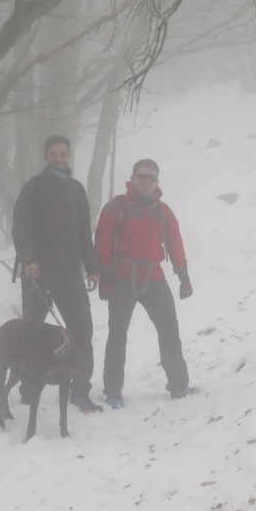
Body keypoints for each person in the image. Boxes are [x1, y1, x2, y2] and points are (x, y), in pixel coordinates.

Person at [12, 134, 103, 413]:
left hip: (71, 276)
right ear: (46, 156)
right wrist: (28, 260)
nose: (59, 159)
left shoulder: (76, 190)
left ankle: (80, 391)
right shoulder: (34, 187)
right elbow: (20, 227)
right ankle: (28, 389)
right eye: (54, 154)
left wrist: (93, 267)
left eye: (63, 154)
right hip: (40, 275)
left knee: (82, 333)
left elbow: (83, 233)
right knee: (32, 334)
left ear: (69, 155)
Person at [94, 158, 193, 408]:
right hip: (122, 278)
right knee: (117, 334)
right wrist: (105, 278)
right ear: (133, 178)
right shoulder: (115, 208)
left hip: (154, 278)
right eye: (142, 176)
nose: (146, 181)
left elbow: (175, 243)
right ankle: (113, 390)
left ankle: (179, 385)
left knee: (169, 330)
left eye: (151, 178)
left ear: (157, 182)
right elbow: (102, 243)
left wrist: (183, 276)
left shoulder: (163, 211)